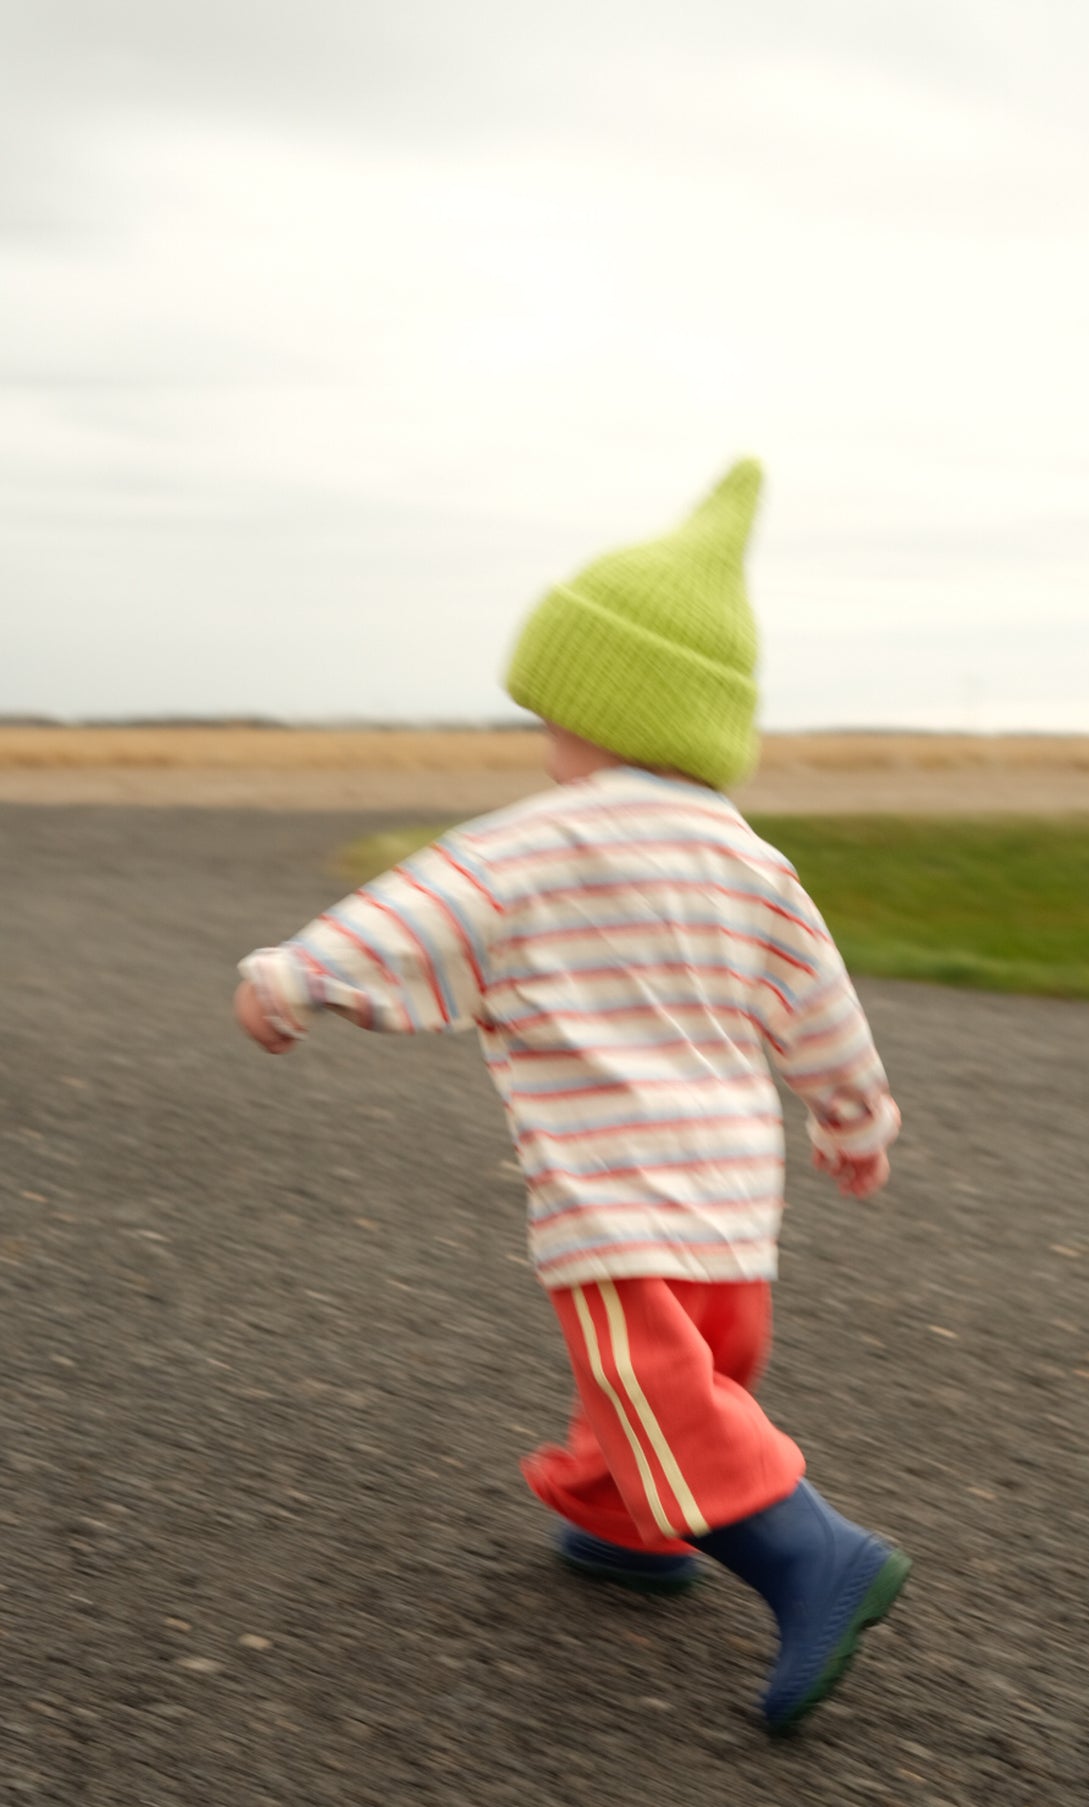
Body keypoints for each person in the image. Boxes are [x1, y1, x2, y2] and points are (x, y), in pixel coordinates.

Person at [234, 459, 909, 1732]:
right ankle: (625, 1525)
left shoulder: (534, 841)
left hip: (611, 1203)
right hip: (729, 1214)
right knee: (670, 1387)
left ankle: (813, 1557)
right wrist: (852, 1117)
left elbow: (408, 916)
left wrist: (293, 977)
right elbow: (819, 1007)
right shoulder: (754, 863)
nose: (543, 741)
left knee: (652, 1389)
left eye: (550, 712)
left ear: (599, 710)